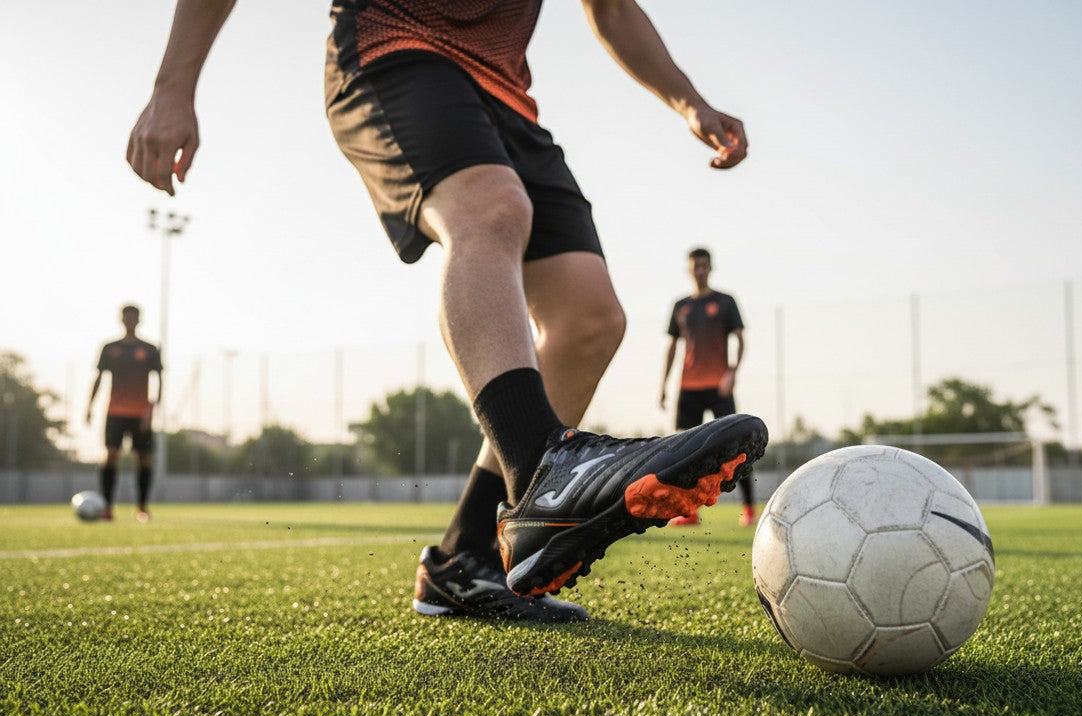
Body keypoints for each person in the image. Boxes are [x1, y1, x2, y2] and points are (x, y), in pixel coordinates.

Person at [126, 0, 767, 622]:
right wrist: (173, 86)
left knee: (589, 318)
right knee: (489, 208)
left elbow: (613, 8)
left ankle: (466, 561)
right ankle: (541, 466)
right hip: (391, 48)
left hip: (507, 99)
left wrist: (691, 103)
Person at [660, 248, 756, 526]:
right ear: (689, 270)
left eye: (704, 266)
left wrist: (733, 372)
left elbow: (740, 339)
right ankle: (689, 512)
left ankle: (749, 510)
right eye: (695, 266)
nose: (700, 270)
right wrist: (664, 384)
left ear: (711, 268)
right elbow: (672, 346)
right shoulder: (680, 306)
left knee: (737, 448)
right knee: (685, 453)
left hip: (719, 387)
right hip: (688, 388)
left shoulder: (725, 301)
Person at [85, 305, 163, 522]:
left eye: (134, 317)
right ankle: (107, 507)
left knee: (144, 459)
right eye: (126, 317)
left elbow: (159, 380)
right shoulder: (110, 348)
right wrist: (89, 407)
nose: (130, 320)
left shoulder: (149, 349)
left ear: (139, 320)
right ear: (121, 319)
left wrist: (152, 409)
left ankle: (142, 507)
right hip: (115, 412)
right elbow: (99, 377)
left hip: (141, 413)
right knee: (111, 456)